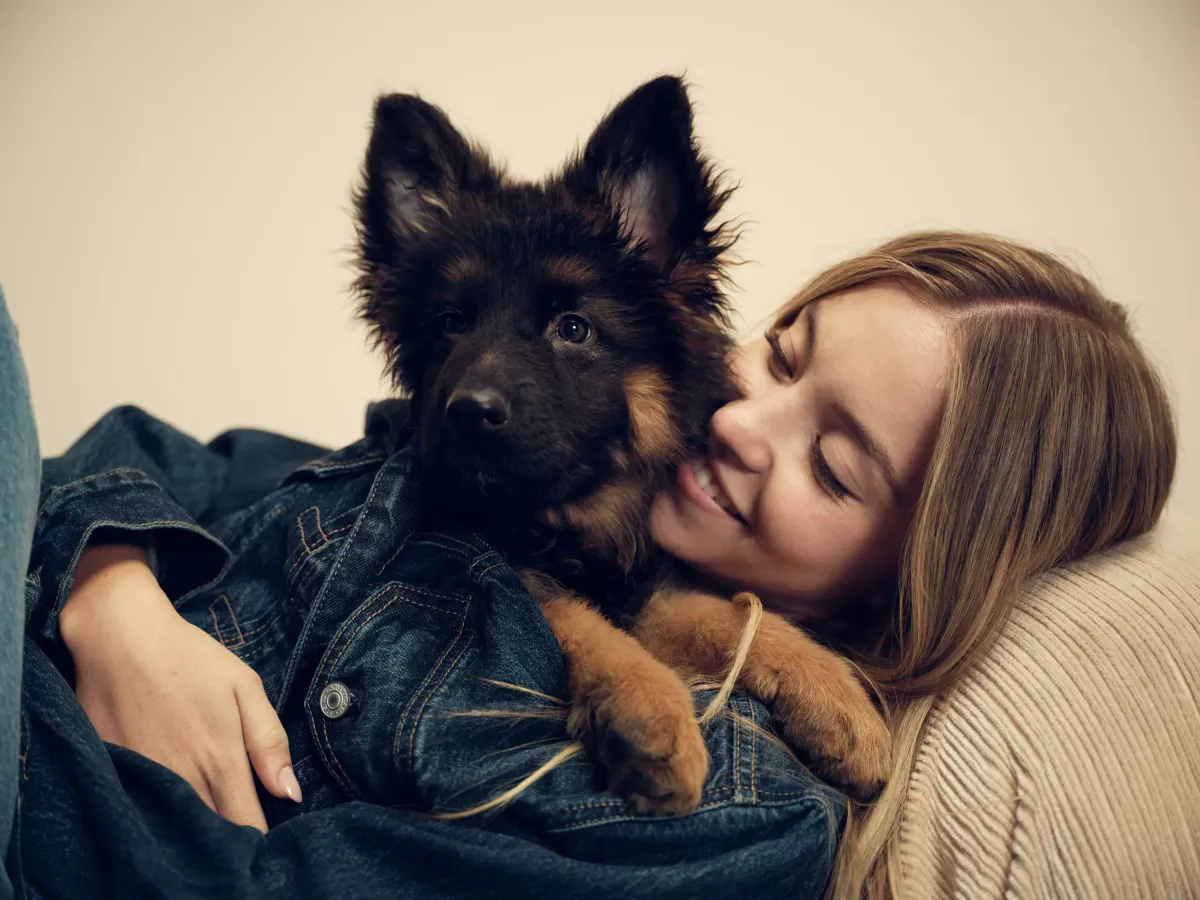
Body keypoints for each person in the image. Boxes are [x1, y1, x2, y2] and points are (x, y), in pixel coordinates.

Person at [1, 231, 1176, 900]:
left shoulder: (741, 817)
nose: (740, 423)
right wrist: (120, 605)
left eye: (835, 466)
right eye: (782, 354)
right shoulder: (492, 479)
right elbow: (147, 461)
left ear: (915, 577)